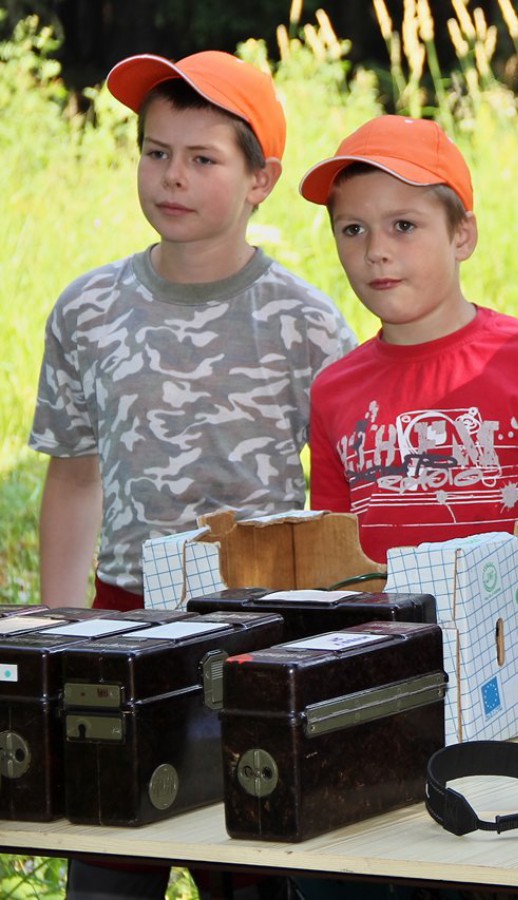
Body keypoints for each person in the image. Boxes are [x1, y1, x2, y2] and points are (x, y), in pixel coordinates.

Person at [27, 49, 355, 900]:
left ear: (260, 179)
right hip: (122, 625)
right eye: (156, 152)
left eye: (203, 158)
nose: (172, 177)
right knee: (107, 866)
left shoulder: (305, 323)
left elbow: (342, 498)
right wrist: (60, 633)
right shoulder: (88, 309)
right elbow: (73, 473)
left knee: (250, 866)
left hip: (255, 634)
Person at [300, 116, 518, 563]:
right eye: (353, 230)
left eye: (403, 226)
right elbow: (335, 563)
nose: (375, 251)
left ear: (462, 236)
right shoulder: (333, 390)